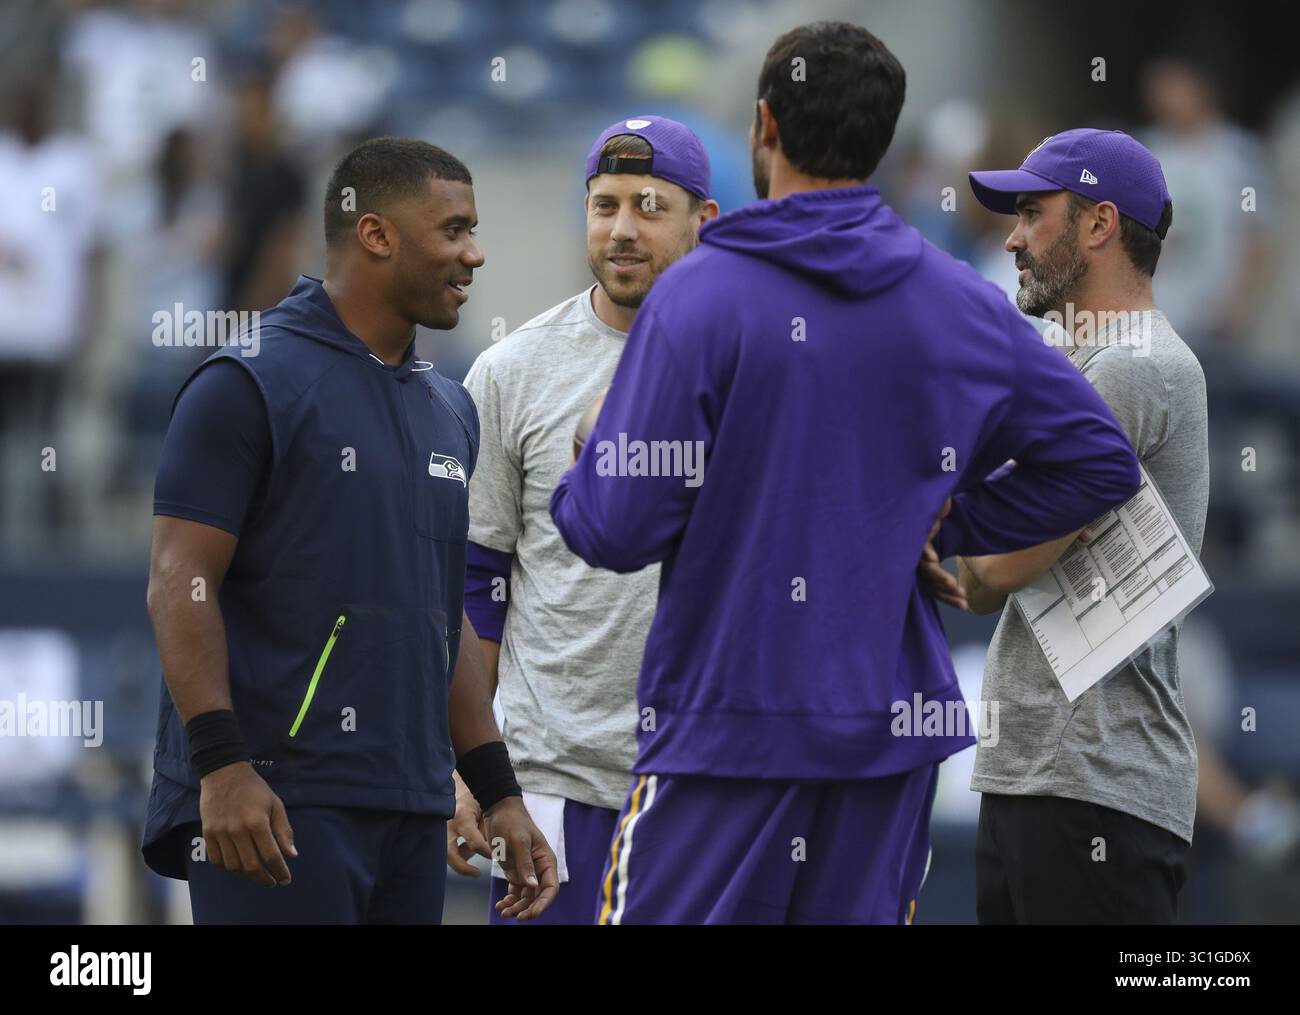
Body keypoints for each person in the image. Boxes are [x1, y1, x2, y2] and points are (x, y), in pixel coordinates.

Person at [549, 22, 1141, 925]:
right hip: (888, 737)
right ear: (881, 140)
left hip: (726, 728)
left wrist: (593, 446)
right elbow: (1100, 461)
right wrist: (940, 523)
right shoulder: (957, 300)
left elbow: (612, 529)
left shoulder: (698, 298)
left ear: (765, 124)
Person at [141, 137, 557, 924]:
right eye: (455, 231)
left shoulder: (448, 408)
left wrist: (497, 790)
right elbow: (178, 579)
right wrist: (223, 765)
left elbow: (447, 618)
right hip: (273, 809)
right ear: (376, 235)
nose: (475, 254)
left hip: (408, 809)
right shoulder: (247, 381)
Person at [449, 116, 719, 924]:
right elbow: (477, 584)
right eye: (604, 205)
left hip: (702, 777)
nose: (622, 229)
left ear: (703, 221)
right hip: (552, 780)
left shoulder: (752, 360)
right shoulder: (512, 370)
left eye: (648, 205)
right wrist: (470, 767)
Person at [950, 127, 1208, 924]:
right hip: (1042, 777)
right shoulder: (1077, 367)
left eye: (1032, 213)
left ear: (1098, 225)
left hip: (1094, 785)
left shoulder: (1131, 365)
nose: (1014, 238)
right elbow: (975, 578)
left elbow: (990, 571)